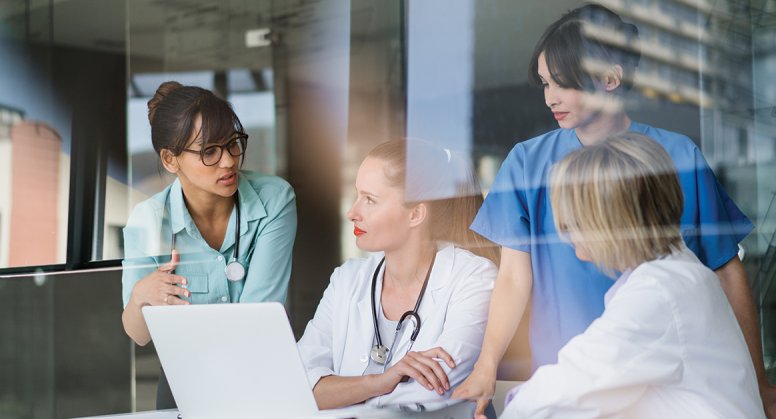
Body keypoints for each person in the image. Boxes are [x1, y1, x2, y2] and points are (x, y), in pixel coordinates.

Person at [452, 4, 776, 418]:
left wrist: (756, 380)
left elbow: (726, 269)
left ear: (610, 78)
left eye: (563, 83)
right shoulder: (527, 164)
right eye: (545, 84)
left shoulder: (675, 158)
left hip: (659, 383)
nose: (550, 98)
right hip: (571, 381)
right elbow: (512, 277)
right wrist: (487, 365)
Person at [500, 134, 764, 418]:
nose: (566, 235)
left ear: (612, 222)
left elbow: (569, 385)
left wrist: (512, 404)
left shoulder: (658, 292)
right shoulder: (677, 271)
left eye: (574, 221)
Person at [120, 81, 297, 408]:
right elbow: (138, 333)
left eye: (232, 144)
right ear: (170, 160)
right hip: (183, 383)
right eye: (209, 152)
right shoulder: (148, 219)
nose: (229, 161)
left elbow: (257, 318)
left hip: (257, 375)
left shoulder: (274, 200)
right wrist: (141, 297)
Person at [297, 139, 498, 412]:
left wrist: (336, 392)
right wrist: (379, 382)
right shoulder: (347, 280)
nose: (352, 213)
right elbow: (298, 383)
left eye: (370, 200)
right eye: (357, 195)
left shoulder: (473, 278)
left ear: (415, 214)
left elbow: (436, 388)